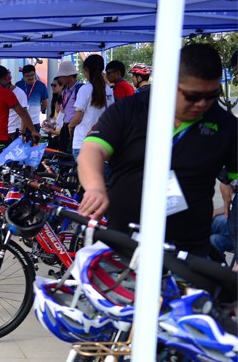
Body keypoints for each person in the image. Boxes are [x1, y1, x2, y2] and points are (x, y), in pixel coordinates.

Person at [77, 43, 237, 256]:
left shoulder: (226, 125)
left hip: (187, 252)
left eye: (211, 95)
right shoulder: (131, 109)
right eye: (192, 96)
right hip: (124, 245)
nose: (202, 104)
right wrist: (95, 188)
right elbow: (92, 150)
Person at [69, 54, 114, 159]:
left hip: (83, 142)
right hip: (102, 141)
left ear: (86, 69)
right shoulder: (108, 90)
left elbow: (78, 118)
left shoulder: (85, 89)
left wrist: (70, 126)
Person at [0, 64, 37, 147]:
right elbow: (23, 113)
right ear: (5, 78)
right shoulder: (6, 93)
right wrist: (33, 131)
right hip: (0, 138)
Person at [56, 60, 83, 152]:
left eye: (62, 76)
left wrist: (71, 125)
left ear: (70, 76)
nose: (60, 79)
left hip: (74, 127)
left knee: (70, 155)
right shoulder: (65, 91)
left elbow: (81, 111)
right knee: (62, 153)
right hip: (65, 126)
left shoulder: (80, 89)